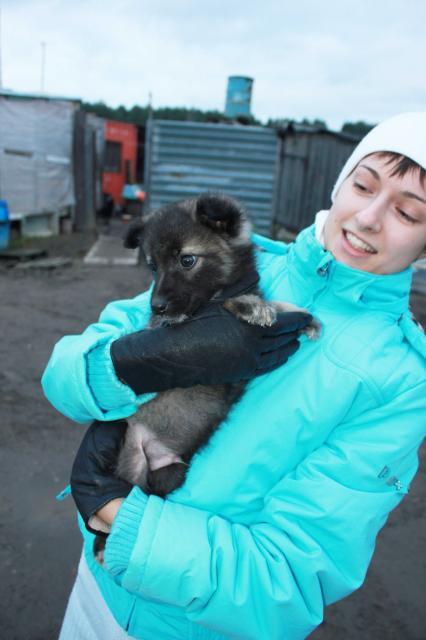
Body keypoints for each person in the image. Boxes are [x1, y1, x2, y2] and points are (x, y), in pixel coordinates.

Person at [42, 112, 426, 640]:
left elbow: (290, 579)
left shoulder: (400, 381)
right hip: (95, 589)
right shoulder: (231, 261)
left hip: (188, 626)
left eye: (408, 212)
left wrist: (115, 514)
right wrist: (135, 362)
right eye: (362, 186)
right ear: (339, 186)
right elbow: (63, 373)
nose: (368, 218)